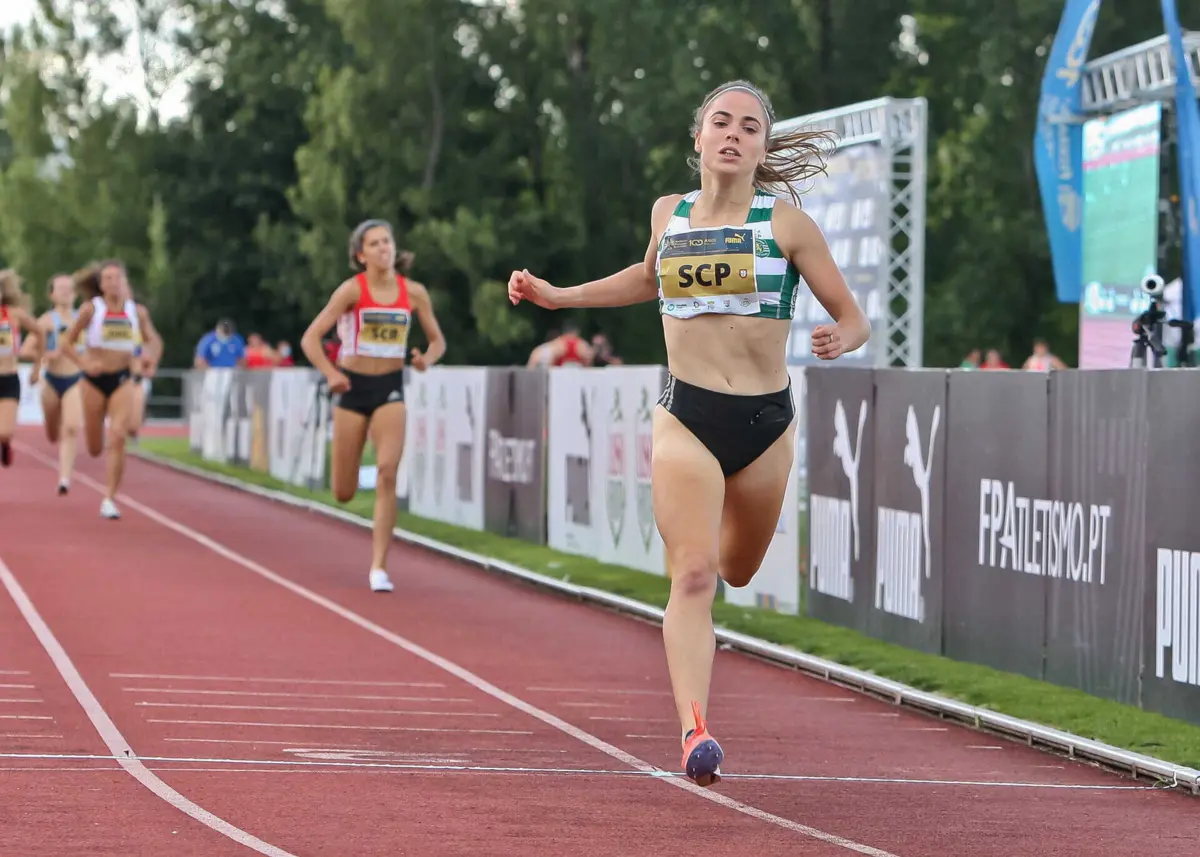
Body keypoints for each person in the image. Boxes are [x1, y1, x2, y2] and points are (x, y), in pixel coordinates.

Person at [508, 79, 870, 787]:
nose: (733, 134)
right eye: (721, 122)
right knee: (695, 573)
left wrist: (842, 337)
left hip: (765, 426)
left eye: (750, 127)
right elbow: (648, 279)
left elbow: (853, 317)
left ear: (763, 148)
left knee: (737, 568)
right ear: (698, 137)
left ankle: (706, 646)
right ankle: (694, 729)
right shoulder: (668, 213)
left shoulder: (787, 226)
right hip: (687, 417)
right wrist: (560, 296)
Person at [300, 219, 446, 593]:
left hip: (390, 388)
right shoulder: (352, 290)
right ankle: (355, 506)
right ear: (360, 254)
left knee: (386, 474)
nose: (384, 248)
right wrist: (331, 374)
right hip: (352, 388)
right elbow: (310, 339)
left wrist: (426, 360)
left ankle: (379, 567)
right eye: (375, 243)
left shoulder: (413, 292)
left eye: (387, 241)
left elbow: (437, 342)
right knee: (343, 491)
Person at [60, 260, 163, 519]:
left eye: (118, 277)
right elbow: (66, 343)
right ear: (101, 284)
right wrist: (84, 363)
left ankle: (109, 499)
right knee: (95, 448)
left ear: (125, 281)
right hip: (93, 381)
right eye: (108, 278)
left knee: (117, 436)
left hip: (122, 379)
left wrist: (151, 361)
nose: (114, 282)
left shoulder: (137, 312)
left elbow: (154, 340)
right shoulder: (91, 309)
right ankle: (98, 451)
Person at [27, 273, 84, 491]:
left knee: (71, 428)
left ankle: (64, 479)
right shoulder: (46, 321)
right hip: (52, 380)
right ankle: (52, 429)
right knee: (53, 433)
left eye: (69, 288)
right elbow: (27, 348)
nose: (66, 292)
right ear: (52, 295)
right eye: (61, 288)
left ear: (76, 293)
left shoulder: (84, 319)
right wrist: (45, 355)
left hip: (76, 379)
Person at [0, 269, 45, 468]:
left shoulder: (14, 314)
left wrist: (37, 366)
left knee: (5, 432)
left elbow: (40, 333)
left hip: (8, 378)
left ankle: (5, 444)